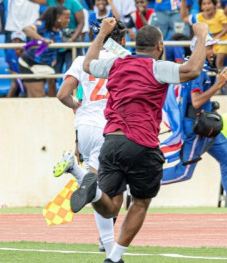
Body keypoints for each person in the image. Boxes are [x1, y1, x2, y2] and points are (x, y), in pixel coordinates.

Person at [70, 18, 208, 263]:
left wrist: (102, 33)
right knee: (141, 202)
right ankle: (115, 257)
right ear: (159, 46)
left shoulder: (116, 63)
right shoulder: (158, 66)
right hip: (142, 143)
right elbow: (193, 70)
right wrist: (202, 36)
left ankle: (92, 195)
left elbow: (89, 64)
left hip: (111, 141)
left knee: (111, 206)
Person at [159, 34, 227, 223]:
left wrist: (211, 102)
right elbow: (197, 101)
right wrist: (219, 84)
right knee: (184, 172)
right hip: (199, 129)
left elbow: (195, 100)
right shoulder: (198, 72)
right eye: (209, 48)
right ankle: (139, 186)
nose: (213, 52)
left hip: (208, 127)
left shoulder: (197, 70)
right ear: (199, 50)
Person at [54, 20, 128, 258]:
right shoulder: (124, 60)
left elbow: (62, 94)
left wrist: (78, 107)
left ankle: (75, 169)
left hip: (85, 126)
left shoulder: (80, 60)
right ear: (122, 40)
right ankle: (109, 251)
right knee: (105, 188)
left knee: (94, 181)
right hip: (111, 127)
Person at [21, 6, 70, 97]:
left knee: (51, 82)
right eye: (66, 17)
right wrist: (42, 39)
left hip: (45, 65)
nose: (68, 20)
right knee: (39, 96)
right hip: (29, 64)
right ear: (58, 17)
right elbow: (26, 29)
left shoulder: (60, 30)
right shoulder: (42, 25)